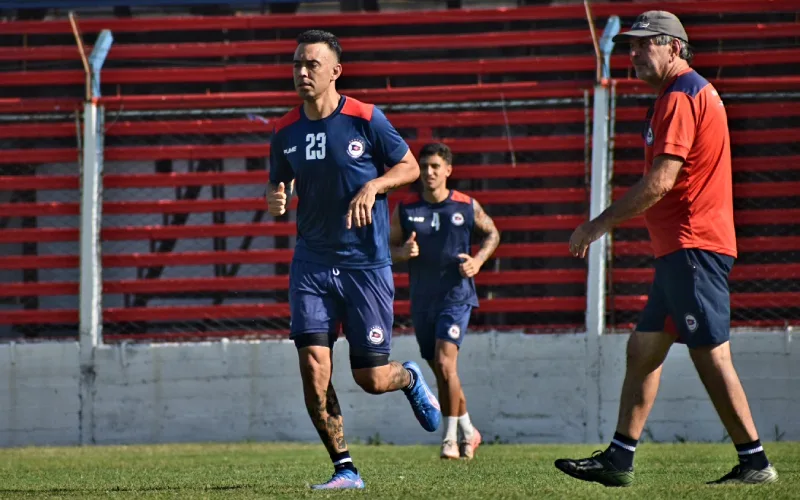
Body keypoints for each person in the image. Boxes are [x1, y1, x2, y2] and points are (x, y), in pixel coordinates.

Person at [554, 11, 778, 487]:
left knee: (710, 353)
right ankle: (619, 458)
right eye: (630, 46)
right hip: (683, 248)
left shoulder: (680, 95)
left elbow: (661, 181)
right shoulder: (683, 92)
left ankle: (755, 461)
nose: (633, 54)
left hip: (692, 247)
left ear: (674, 47)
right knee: (643, 348)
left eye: (644, 45)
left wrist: (597, 225)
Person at [266, 30, 441, 490]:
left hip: (365, 266)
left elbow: (409, 167)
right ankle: (345, 468)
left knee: (371, 378)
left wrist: (374, 185)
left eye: (313, 65)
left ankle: (408, 378)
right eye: (297, 64)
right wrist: (276, 197)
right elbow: (279, 182)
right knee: (313, 367)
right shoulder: (284, 130)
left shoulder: (366, 118)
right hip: (311, 264)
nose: (303, 72)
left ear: (336, 72)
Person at [390, 143, 500, 460]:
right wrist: (402, 253)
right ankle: (469, 430)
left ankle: (449, 439)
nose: (429, 172)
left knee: (444, 363)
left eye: (435, 166)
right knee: (443, 372)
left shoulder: (466, 206)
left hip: (457, 297)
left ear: (448, 170)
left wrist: (478, 261)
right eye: (424, 166)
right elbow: (386, 249)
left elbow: (492, 233)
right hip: (423, 300)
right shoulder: (406, 208)